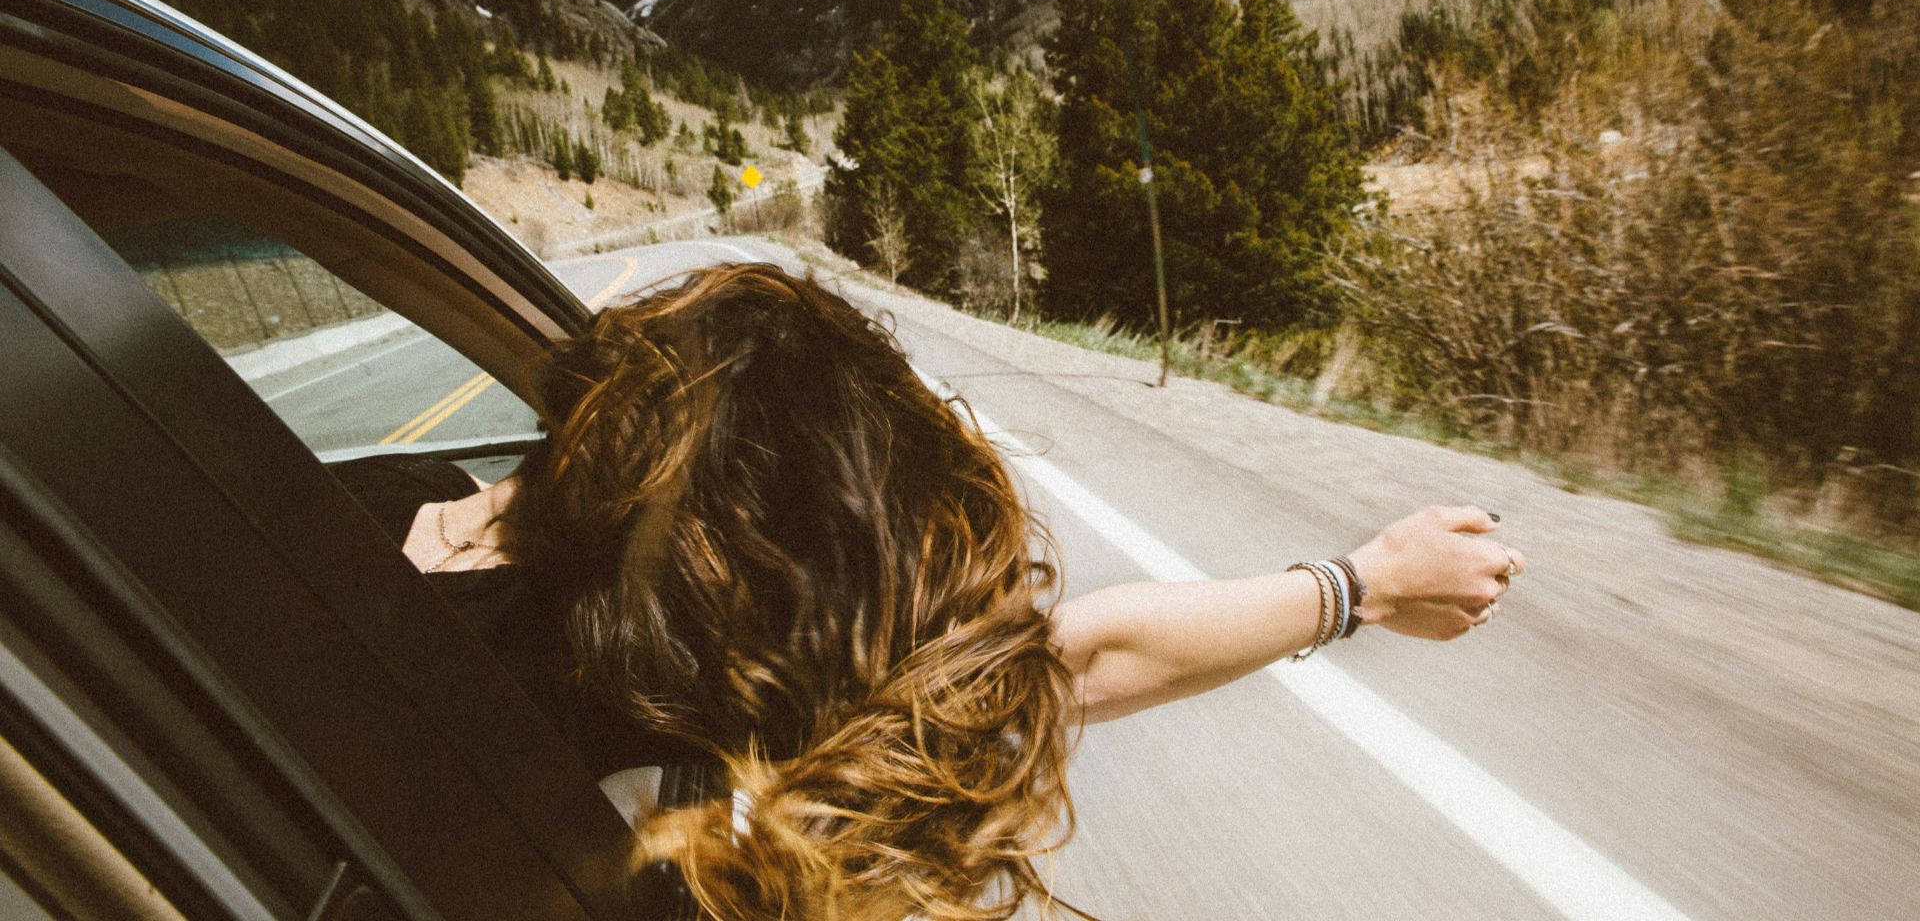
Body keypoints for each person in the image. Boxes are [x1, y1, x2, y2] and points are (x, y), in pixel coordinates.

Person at [345, 263, 1524, 921]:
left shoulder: (344, 504)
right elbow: (1069, 663)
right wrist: (1359, 586)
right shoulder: (639, 688)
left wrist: (1360, 585)